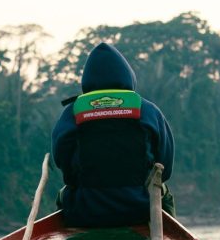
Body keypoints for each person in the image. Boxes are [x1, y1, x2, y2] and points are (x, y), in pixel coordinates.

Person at [51, 42, 174, 227]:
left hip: (85, 209)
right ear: (128, 77)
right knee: (165, 192)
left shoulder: (72, 113)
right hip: (141, 208)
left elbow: (64, 164)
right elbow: (164, 168)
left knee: (63, 194)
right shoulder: (148, 110)